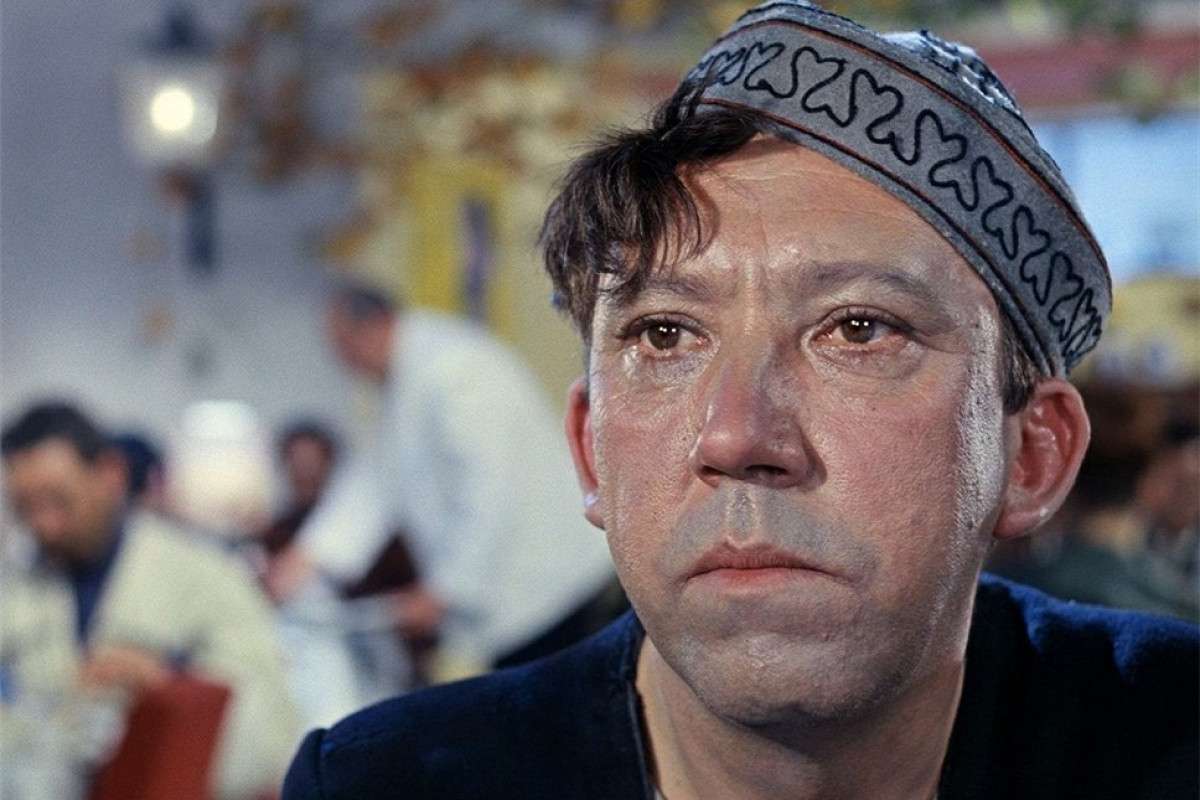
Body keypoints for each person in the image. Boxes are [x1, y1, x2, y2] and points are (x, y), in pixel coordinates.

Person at [282, 3, 1199, 798]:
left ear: (1031, 454)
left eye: (858, 329)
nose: (736, 434)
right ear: (592, 450)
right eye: (664, 335)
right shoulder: (391, 782)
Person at [271, 285, 619, 675]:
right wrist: (308, 558)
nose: (344, 363)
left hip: (556, 589)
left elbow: (490, 487)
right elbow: (374, 484)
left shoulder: (455, 367)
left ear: (372, 325)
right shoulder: (400, 383)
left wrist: (444, 591)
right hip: (520, 604)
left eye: (343, 347)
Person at [0, 402, 300, 800]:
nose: (45, 526)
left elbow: (269, 738)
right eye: (26, 510)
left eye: (60, 502)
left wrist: (165, 687)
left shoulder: (208, 579)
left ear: (111, 473)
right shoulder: (15, 591)